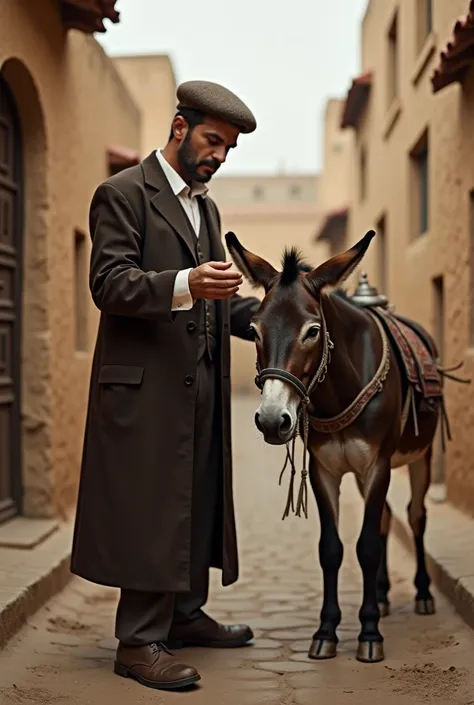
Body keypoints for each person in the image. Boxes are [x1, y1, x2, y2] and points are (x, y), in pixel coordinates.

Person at [70, 80, 261, 692]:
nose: (219, 157)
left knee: (195, 497)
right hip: (144, 390)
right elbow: (110, 284)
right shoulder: (122, 194)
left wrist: (265, 319)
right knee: (154, 508)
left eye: (229, 149)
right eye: (212, 141)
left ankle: (183, 615)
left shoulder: (206, 207)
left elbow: (212, 299)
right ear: (180, 128)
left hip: (199, 385)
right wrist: (185, 283)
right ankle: (137, 642)